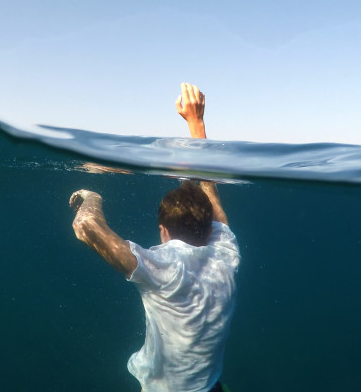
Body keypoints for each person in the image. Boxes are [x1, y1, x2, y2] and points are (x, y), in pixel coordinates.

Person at [69, 83, 240, 392]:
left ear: (163, 231)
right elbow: (210, 192)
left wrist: (90, 195)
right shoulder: (225, 252)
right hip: (209, 385)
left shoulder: (164, 269)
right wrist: (196, 122)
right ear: (209, 227)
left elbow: (86, 227)